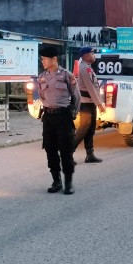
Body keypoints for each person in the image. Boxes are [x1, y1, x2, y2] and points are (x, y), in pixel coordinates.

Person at [37, 44, 81, 194]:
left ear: (54, 59)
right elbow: (42, 96)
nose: (42, 61)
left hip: (63, 117)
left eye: (44, 58)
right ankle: (56, 181)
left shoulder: (67, 75)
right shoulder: (42, 77)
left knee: (66, 150)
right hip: (48, 117)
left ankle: (68, 182)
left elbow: (76, 96)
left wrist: (72, 113)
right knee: (50, 149)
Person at [73, 47, 105, 163]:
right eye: (92, 53)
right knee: (83, 129)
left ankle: (90, 154)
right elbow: (90, 88)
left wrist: (98, 103)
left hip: (90, 103)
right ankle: (68, 153)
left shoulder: (88, 68)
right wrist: (100, 104)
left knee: (90, 129)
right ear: (86, 56)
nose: (94, 55)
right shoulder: (84, 68)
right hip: (86, 104)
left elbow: (94, 88)